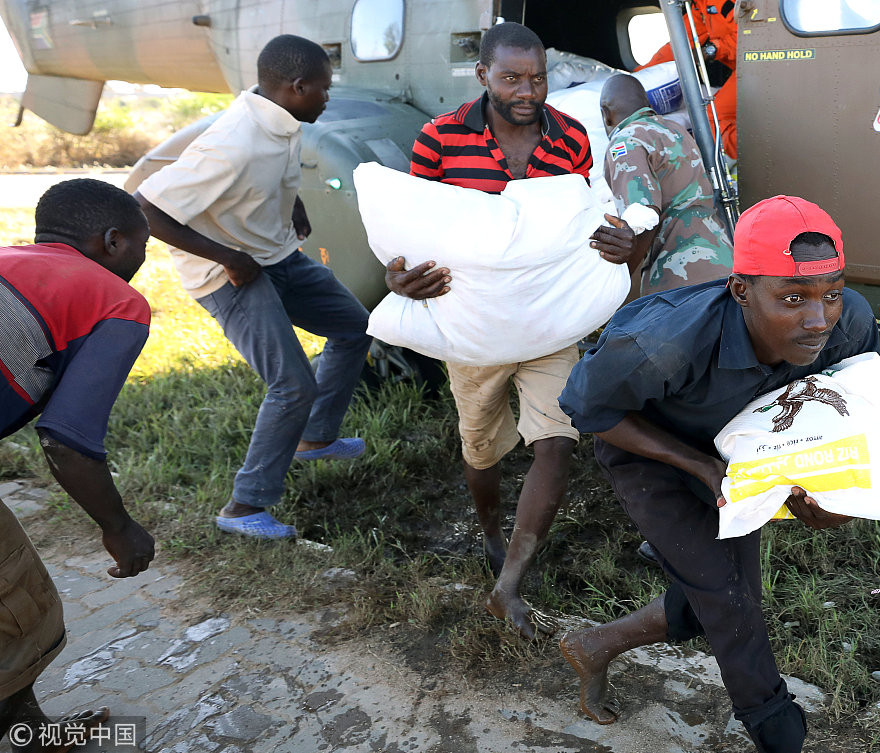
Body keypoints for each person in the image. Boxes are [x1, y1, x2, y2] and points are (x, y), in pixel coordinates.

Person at [557, 196, 880, 752]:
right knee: (730, 603)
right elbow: (591, 411)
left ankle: (594, 644)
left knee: (726, 596)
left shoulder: (849, 320)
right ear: (740, 291)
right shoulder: (661, 344)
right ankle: (780, 734)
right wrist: (700, 465)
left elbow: (843, 407)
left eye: (830, 294)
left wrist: (824, 488)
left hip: (737, 454)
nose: (817, 319)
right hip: (652, 455)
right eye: (792, 298)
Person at [386, 21, 640, 639]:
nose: (528, 91)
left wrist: (615, 241)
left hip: (549, 320)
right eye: (511, 78)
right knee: (481, 449)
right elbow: (409, 228)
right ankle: (493, 531)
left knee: (557, 439)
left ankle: (510, 583)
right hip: (471, 325)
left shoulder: (571, 137)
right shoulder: (439, 138)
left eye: (538, 77)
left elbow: (583, 218)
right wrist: (396, 277)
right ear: (482, 76)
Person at [135, 34, 373, 540]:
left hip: (276, 255)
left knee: (355, 327)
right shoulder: (231, 143)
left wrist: (292, 204)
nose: (328, 98)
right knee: (292, 384)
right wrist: (228, 258)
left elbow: (274, 173)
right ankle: (243, 507)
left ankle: (314, 438)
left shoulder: (281, 116)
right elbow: (147, 209)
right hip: (230, 273)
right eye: (324, 90)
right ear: (297, 85)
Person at [1, 178, 156, 751]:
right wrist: (120, 529)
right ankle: (29, 740)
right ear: (114, 241)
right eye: (143, 247)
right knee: (19, 609)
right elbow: (66, 440)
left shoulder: (8, 260)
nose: (141, 261)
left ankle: (31, 732)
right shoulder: (115, 298)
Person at [599, 74, 733, 296]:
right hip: (723, 261)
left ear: (606, 114)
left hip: (679, 278)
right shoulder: (677, 131)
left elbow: (642, 218)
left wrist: (618, 284)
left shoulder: (625, 141)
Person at [637, 0, 738, 159]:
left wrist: (713, 49)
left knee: (713, 120)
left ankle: (767, 154)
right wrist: (636, 75)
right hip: (744, 69)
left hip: (759, 65)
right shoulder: (700, 6)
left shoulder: (721, 2)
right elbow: (680, 43)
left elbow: (752, 35)